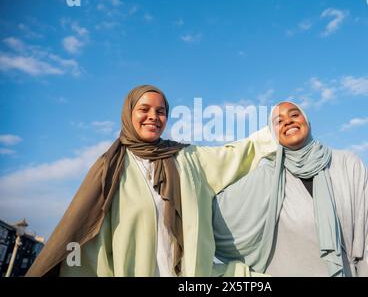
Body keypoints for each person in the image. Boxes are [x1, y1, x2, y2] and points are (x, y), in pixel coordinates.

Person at [26, 85, 277, 277]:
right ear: (129, 113)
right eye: (144, 109)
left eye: (161, 111)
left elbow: (236, 154)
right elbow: (86, 237)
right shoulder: (109, 169)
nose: (153, 117)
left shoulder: (187, 159)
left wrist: (279, 126)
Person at [213, 101, 368, 276]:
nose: (288, 121)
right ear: (273, 134)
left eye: (294, 114)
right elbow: (216, 212)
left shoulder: (347, 164)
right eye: (279, 121)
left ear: (306, 120)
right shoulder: (267, 176)